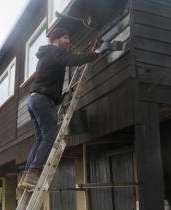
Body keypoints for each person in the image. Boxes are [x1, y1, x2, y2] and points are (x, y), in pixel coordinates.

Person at [19, 27, 111, 189]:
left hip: (35, 100)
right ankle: (33, 172)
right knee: (49, 138)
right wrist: (98, 52)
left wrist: (59, 97)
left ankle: (26, 175)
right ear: (56, 39)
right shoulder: (55, 52)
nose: (68, 41)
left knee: (40, 139)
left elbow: (47, 79)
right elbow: (75, 60)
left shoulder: (46, 55)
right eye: (65, 38)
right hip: (42, 100)